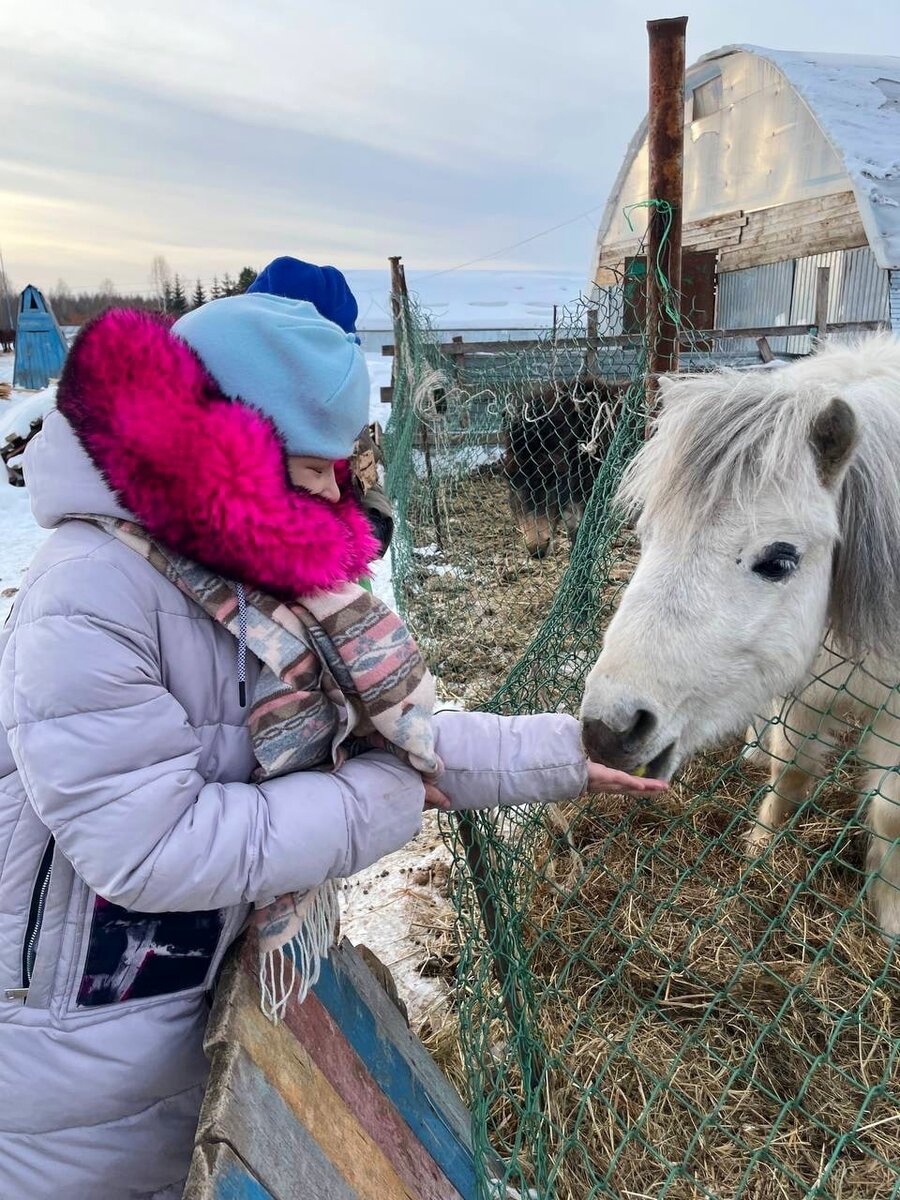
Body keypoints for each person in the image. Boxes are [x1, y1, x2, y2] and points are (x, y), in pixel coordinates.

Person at [0, 268, 664, 1199]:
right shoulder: (89, 593)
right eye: (316, 467)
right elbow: (144, 843)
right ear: (227, 447)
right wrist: (380, 803)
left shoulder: (257, 577)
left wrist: (567, 751)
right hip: (78, 1063)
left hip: (210, 1013)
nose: (338, 492)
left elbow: (392, 738)